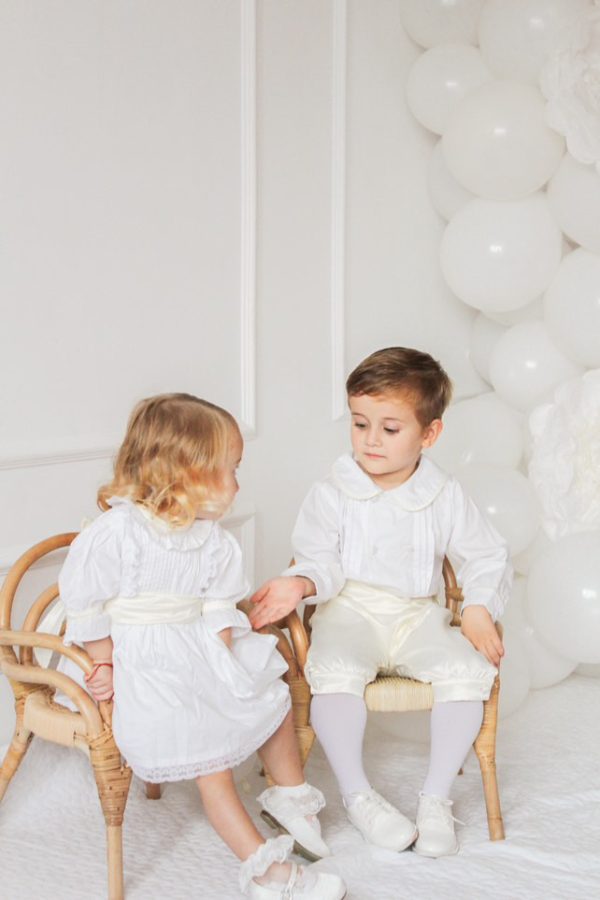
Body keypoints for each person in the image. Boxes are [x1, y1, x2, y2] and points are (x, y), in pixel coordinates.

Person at [57, 393, 346, 900]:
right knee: (210, 753)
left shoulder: (212, 539)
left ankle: (289, 794)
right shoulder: (117, 533)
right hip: (135, 654)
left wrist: (222, 660)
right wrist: (102, 662)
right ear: (186, 474)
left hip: (193, 641)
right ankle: (265, 872)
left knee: (266, 683)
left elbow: (217, 604)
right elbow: (86, 605)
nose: (238, 483)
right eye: (230, 470)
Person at [249, 348, 512, 858]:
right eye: (359, 423)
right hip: (350, 609)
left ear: (429, 434)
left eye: (390, 429)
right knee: (334, 668)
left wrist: (478, 606)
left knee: (466, 670)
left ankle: (435, 799)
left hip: (418, 614)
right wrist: (300, 583)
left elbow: (487, 553)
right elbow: (319, 559)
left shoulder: (443, 493)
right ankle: (358, 796)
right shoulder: (333, 491)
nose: (371, 440)